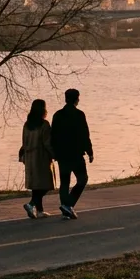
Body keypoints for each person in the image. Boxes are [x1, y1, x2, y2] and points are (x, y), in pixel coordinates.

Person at [50, 88, 93, 220]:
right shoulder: (79, 115)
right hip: (75, 154)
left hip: (62, 155)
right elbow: (85, 135)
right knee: (82, 179)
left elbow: (53, 136)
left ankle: (65, 208)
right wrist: (90, 151)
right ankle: (68, 205)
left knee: (64, 182)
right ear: (76, 99)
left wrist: (54, 153)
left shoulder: (57, 115)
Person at [19, 99, 54, 219]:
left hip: (29, 157)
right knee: (45, 185)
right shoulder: (44, 124)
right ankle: (31, 203)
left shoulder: (27, 124)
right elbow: (47, 142)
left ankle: (40, 211)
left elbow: (23, 141)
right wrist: (54, 154)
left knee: (36, 186)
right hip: (41, 157)